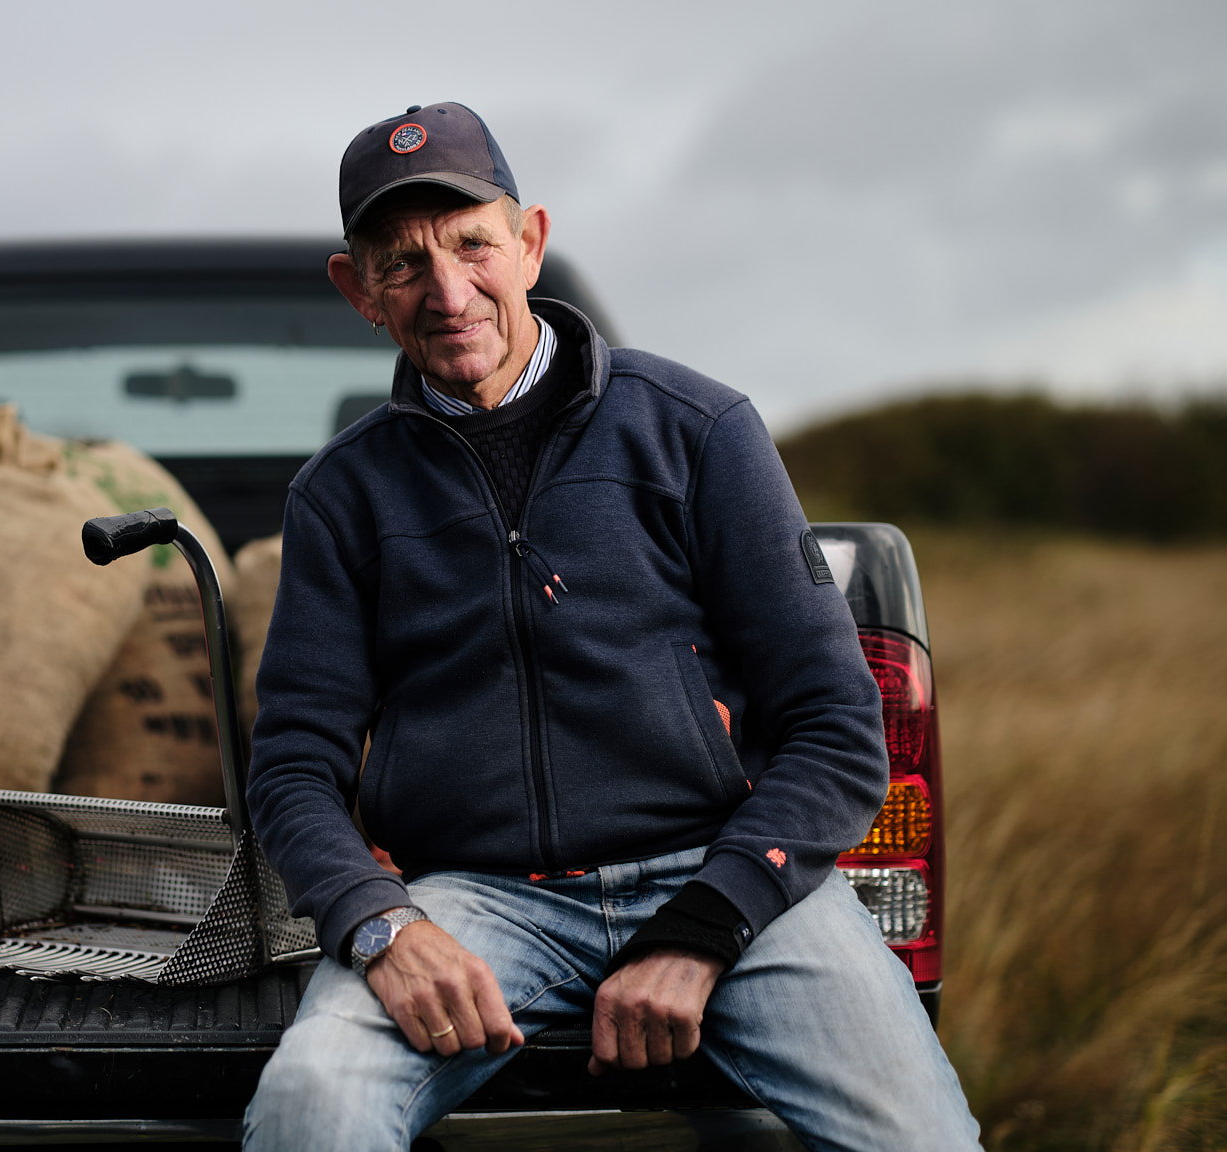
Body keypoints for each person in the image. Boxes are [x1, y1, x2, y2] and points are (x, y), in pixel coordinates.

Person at [240, 102, 982, 1151]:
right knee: (312, 1101)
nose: (447, 294)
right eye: (400, 264)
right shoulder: (338, 497)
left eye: (471, 245)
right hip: (474, 903)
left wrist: (703, 930)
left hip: (727, 878)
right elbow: (291, 768)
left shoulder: (697, 431)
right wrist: (382, 926)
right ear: (356, 289)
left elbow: (832, 718)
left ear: (529, 241)